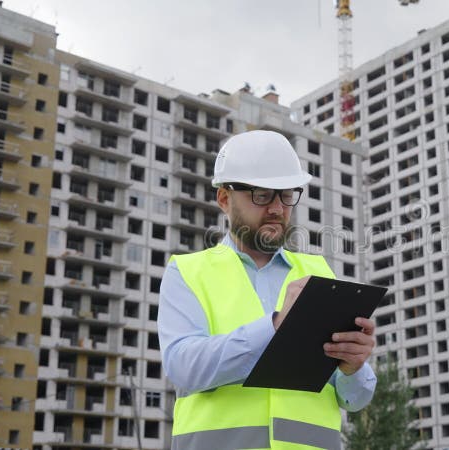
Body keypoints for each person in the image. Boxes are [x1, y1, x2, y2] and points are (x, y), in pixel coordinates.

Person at [158, 130, 377, 450]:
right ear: (224, 199)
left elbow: (355, 400)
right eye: (262, 194)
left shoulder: (319, 274)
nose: (277, 208)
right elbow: (184, 368)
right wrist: (274, 326)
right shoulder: (188, 273)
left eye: (286, 194)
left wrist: (353, 367)